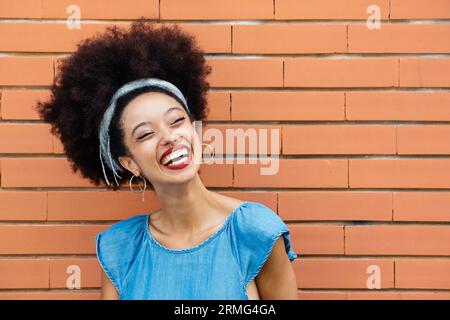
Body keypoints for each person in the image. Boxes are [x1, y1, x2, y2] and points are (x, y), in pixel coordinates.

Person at [35, 19, 298, 300]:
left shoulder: (255, 231)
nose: (170, 137)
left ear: (194, 130)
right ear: (129, 163)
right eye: (146, 133)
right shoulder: (120, 248)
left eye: (176, 121)